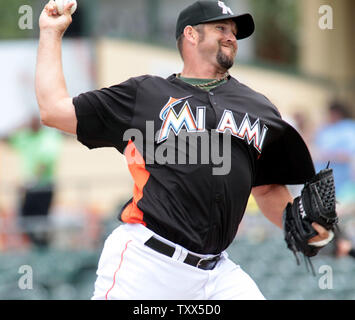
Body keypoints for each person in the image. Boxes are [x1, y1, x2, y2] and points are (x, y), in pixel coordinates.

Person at [36, 0, 332, 299]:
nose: (231, 36)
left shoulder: (258, 107)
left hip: (216, 273)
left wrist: (303, 225)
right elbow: (53, 110)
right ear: (190, 35)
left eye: (234, 31)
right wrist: (50, 33)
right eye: (221, 28)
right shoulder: (146, 94)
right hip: (147, 263)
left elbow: (267, 189)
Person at [7, 115, 62, 247]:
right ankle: (33, 245)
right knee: (24, 219)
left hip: (42, 187)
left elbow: (44, 162)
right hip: (29, 187)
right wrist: (21, 124)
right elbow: (9, 138)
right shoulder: (26, 137)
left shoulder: (48, 138)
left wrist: (32, 181)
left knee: (39, 221)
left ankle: (42, 246)